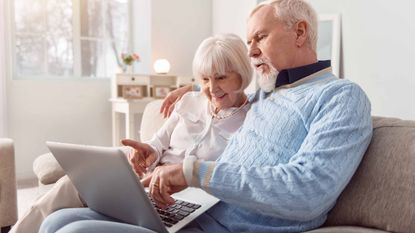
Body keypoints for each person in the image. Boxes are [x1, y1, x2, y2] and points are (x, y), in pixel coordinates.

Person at [38, 0, 373, 232]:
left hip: (228, 227)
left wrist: (193, 172)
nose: (251, 50)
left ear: (300, 33)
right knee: (57, 221)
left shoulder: (341, 97)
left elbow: (308, 191)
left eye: (260, 38)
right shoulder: (266, 95)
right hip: (195, 213)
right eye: (249, 41)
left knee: (71, 230)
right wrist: (189, 87)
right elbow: (221, 91)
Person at [10, 33, 253, 233]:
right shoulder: (189, 100)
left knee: (67, 225)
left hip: (180, 196)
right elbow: (159, 141)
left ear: (242, 73)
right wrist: (149, 151)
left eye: (220, 78)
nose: (211, 89)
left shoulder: (253, 119)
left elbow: (227, 176)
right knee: (72, 182)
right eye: (205, 79)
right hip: (144, 181)